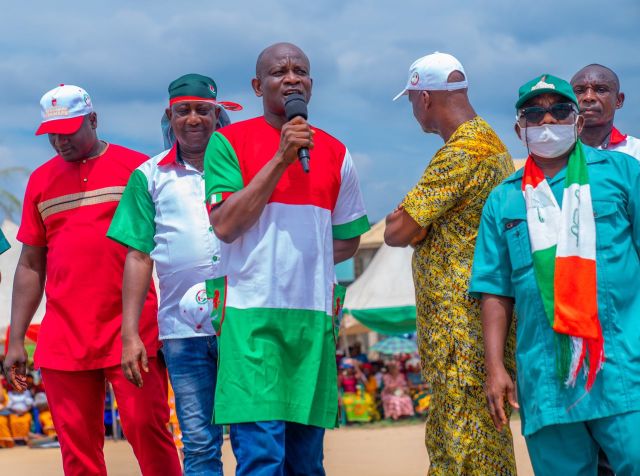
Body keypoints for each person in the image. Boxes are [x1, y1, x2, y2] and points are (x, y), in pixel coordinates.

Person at [204, 42, 370, 475]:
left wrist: (302, 257)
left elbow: (348, 240)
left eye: (300, 71)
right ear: (258, 86)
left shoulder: (336, 152)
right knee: (262, 458)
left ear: (311, 84)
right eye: (279, 72)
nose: (292, 78)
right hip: (250, 319)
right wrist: (281, 157)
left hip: (311, 320)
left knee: (307, 462)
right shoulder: (227, 143)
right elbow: (225, 225)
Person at [3, 84, 181, 475]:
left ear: (94, 120)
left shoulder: (138, 169)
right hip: (64, 336)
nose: (59, 141)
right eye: (52, 134)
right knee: (77, 447)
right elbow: (30, 264)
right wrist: (16, 339)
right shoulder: (40, 181)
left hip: (132, 331)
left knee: (148, 430)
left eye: (68, 131)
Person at [470, 73, 640, 475]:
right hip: (547, 377)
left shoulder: (622, 173)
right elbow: (495, 290)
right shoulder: (504, 199)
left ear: (577, 122)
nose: (547, 121)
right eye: (534, 114)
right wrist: (496, 369)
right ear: (519, 129)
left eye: (559, 111)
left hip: (622, 365)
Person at [384, 52, 517, 475]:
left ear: (424, 97)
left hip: (460, 330)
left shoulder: (461, 153)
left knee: (465, 447)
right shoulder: (490, 143)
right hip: (470, 325)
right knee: (467, 443)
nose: (413, 110)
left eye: (411, 100)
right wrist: (417, 225)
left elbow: (397, 230)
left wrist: (414, 226)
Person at [107, 73, 241, 476]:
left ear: (217, 115)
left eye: (202, 110)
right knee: (199, 443)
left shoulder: (245, 168)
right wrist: (130, 334)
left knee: (254, 437)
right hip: (182, 332)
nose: (193, 118)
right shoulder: (148, 176)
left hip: (245, 322)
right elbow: (138, 256)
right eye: (183, 111)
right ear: (170, 117)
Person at [571, 64, 640, 159]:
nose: (588, 97)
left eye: (601, 90)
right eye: (579, 91)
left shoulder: (636, 151)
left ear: (619, 100)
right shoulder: (553, 152)